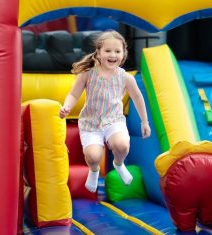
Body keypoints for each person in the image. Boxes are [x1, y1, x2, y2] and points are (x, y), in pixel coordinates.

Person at [59, 30, 151, 193]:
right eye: (108, 51)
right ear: (99, 53)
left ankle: (118, 163)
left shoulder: (125, 77)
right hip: (90, 123)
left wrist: (145, 121)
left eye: (117, 51)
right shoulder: (88, 74)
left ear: (123, 54)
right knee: (94, 157)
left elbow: (137, 97)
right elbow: (74, 94)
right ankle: (94, 171)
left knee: (122, 145)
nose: (112, 55)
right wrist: (67, 106)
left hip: (113, 120)